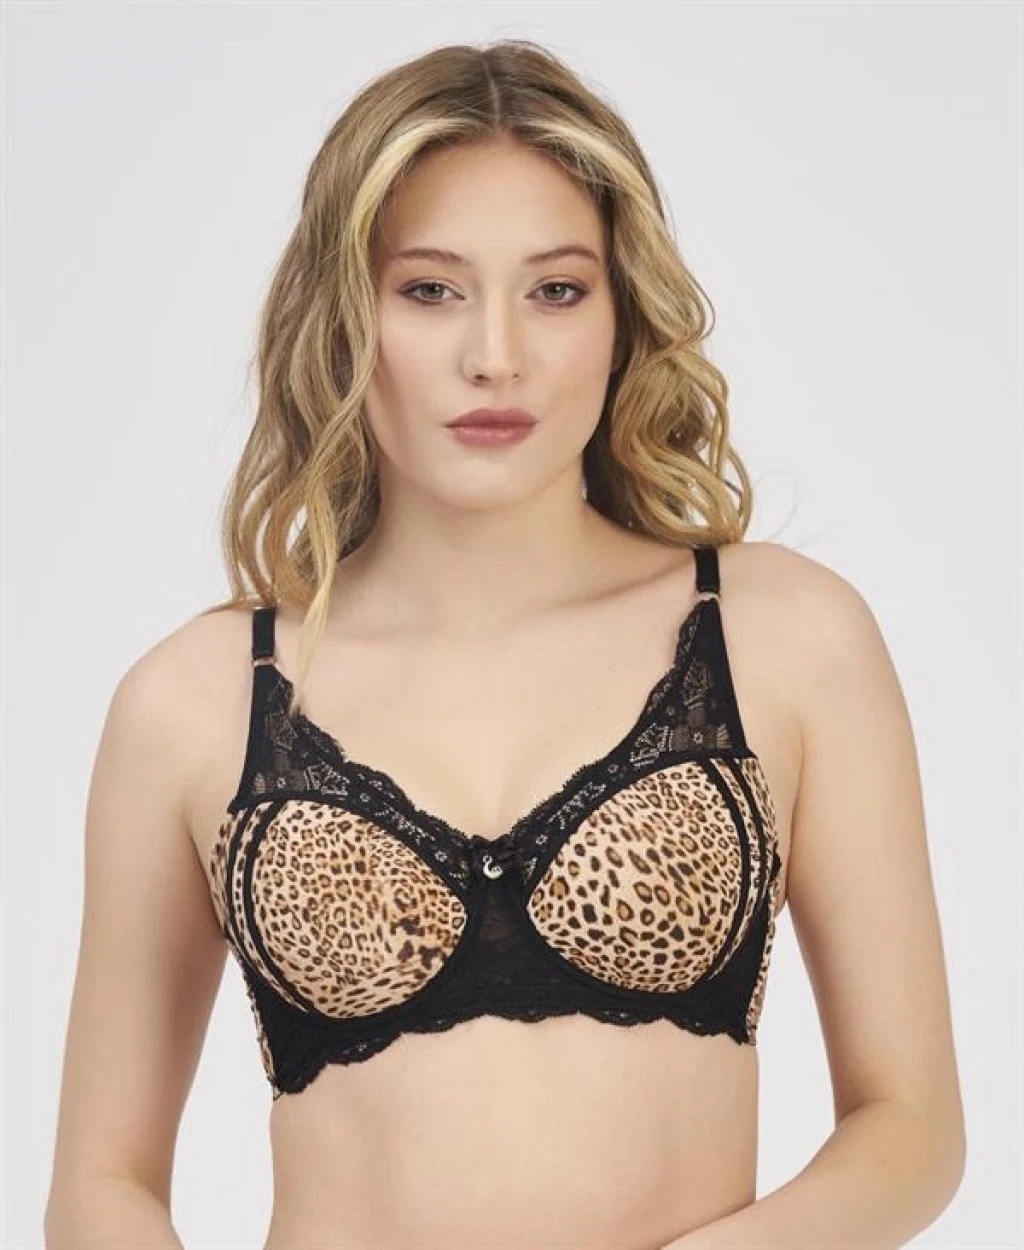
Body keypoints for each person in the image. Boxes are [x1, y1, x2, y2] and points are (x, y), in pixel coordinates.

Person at [43, 38, 965, 1250]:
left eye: (556, 290)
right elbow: (99, 1184)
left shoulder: (783, 639)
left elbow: (910, 1127)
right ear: (344, 315)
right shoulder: (192, 702)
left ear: (620, 314)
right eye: (430, 289)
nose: (496, 354)